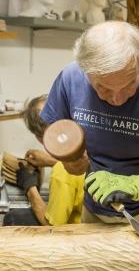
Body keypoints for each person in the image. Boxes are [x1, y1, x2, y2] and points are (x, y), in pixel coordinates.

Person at [40, 21, 139, 232]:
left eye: (129, 85)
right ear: (85, 72)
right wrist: (71, 160)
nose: (117, 99)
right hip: (95, 216)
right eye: (103, 88)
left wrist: (136, 185)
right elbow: (54, 134)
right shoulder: (70, 79)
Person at [3, 95, 84, 226]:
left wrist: (30, 187)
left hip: (79, 233)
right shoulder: (87, 144)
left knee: (13, 218)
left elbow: (52, 226)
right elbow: (79, 168)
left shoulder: (62, 173)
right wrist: (52, 160)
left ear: (40, 137)